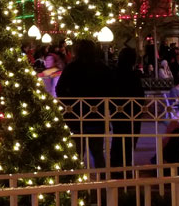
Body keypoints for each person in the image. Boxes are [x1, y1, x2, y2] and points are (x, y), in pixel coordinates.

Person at [56, 39, 113, 170]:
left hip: (76, 114)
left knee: (77, 153)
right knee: (98, 153)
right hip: (96, 114)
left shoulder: (72, 68)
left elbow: (60, 89)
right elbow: (111, 88)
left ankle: (78, 180)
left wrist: (69, 103)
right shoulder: (102, 68)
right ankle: (102, 180)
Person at [109, 47, 144, 175]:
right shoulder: (133, 75)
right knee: (129, 139)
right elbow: (140, 95)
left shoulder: (114, 73)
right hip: (131, 111)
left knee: (118, 137)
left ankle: (116, 165)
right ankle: (125, 166)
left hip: (118, 110)